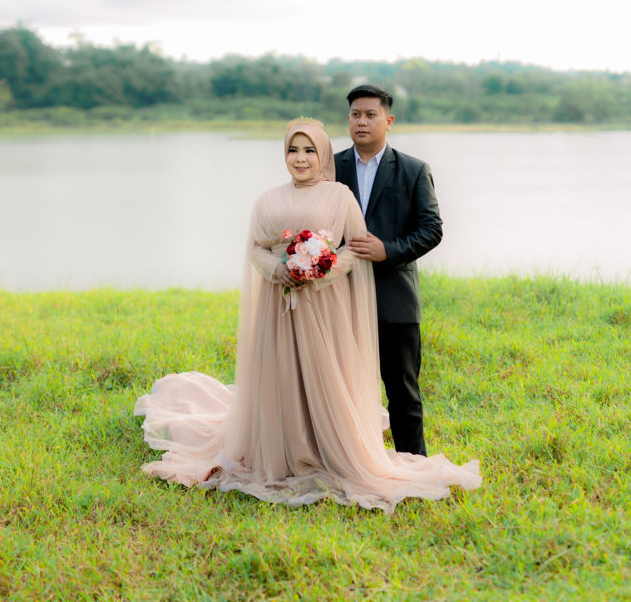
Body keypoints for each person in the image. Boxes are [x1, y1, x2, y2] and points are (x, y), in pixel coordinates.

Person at [134, 118, 479, 512]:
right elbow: (256, 248)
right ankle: (282, 450)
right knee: (281, 372)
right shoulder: (268, 200)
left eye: (309, 150)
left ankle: (326, 448)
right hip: (278, 305)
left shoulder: (339, 196)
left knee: (323, 373)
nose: (300, 158)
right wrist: (277, 268)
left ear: (323, 155)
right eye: (292, 150)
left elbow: (354, 248)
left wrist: (319, 269)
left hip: (324, 304)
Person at [334, 84, 441, 456]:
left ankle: (416, 467)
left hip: (394, 300)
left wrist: (387, 250)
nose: (361, 122)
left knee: (403, 394)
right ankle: (348, 462)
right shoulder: (330, 167)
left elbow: (431, 229)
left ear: (389, 120)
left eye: (370, 115)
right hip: (339, 297)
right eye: (355, 115)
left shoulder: (413, 170)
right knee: (340, 390)